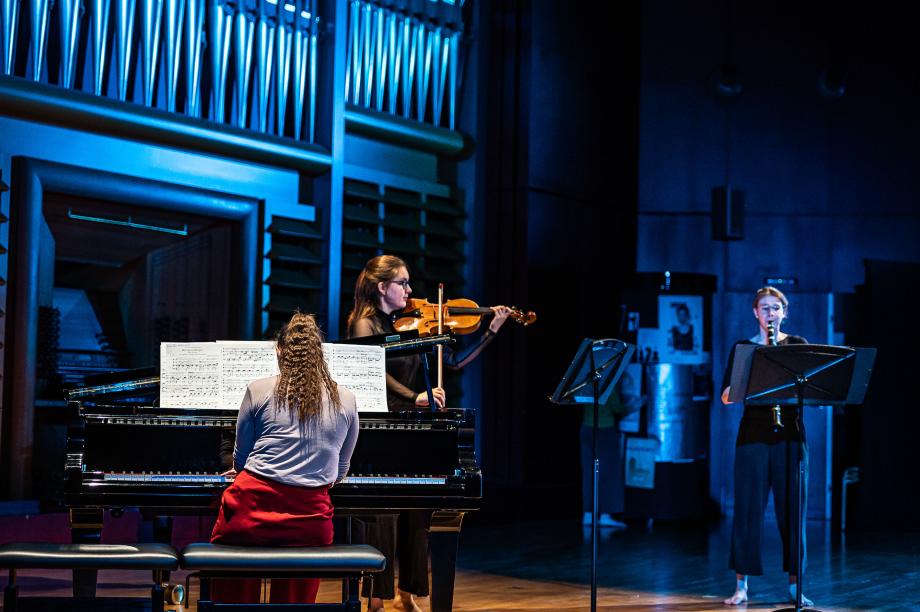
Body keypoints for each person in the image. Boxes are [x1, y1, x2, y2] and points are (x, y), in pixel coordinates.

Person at [347, 254, 511, 612]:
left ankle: (409, 592)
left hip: (410, 422)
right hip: (381, 425)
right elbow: (373, 369)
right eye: (402, 283)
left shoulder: (406, 324)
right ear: (381, 287)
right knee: (385, 515)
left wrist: (490, 331)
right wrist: (415, 396)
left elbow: (452, 364)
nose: (409, 290)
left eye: (408, 283)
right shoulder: (365, 324)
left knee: (416, 510)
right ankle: (376, 597)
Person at [209, 312, 359, 604]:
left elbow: (240, 461)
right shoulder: (348, 400)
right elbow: (339, 472)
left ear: (279, 351)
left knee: (232, 584)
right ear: (319, 353)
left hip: (250, 515)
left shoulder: (258, 389)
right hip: (309, 521)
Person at [720, 287, 813, 607]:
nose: (770, 313)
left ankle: (795, 587)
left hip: (790, 435)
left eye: (776, 308)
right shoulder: (744, 348)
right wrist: (750, 373)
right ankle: (741, 587)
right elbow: (727, 396)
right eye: (764, 308)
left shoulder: (797, 345)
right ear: (755, 313)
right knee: (747, 511)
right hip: (753, 436)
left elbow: (811, 390)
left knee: (793, 512)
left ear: (784, 312)